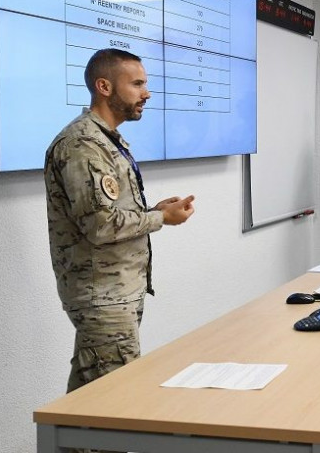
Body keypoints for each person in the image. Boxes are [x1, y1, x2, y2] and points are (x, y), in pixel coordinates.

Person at [44, 48, 195, 395]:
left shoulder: (106, 139)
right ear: (104, 87)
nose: (146, 93)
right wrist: (160, 218)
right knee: (113, 404)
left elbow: (106, 214)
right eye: (137, 84)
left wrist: (152, 210)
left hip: (116, 293)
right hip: (102, 296)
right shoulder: (82, 144)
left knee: (89, 404)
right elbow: (100, 225)